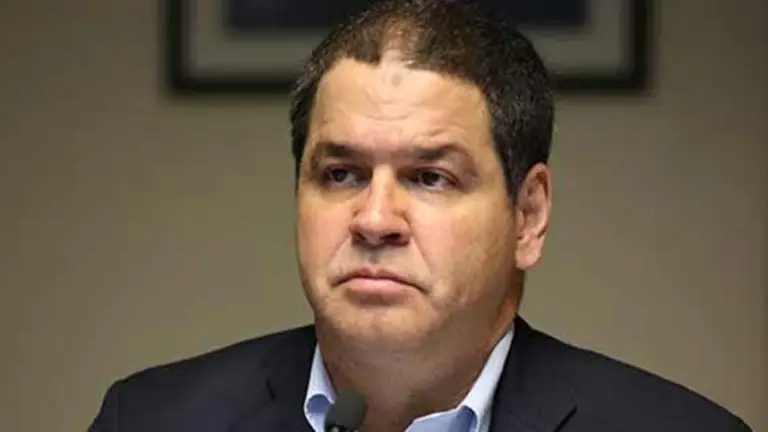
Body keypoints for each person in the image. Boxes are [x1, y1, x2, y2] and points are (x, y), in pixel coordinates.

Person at [88, 1, 752, 431]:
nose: (375, 219)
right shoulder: (149, 419)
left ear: (527, 217)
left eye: (430, 177)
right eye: (341, 174)